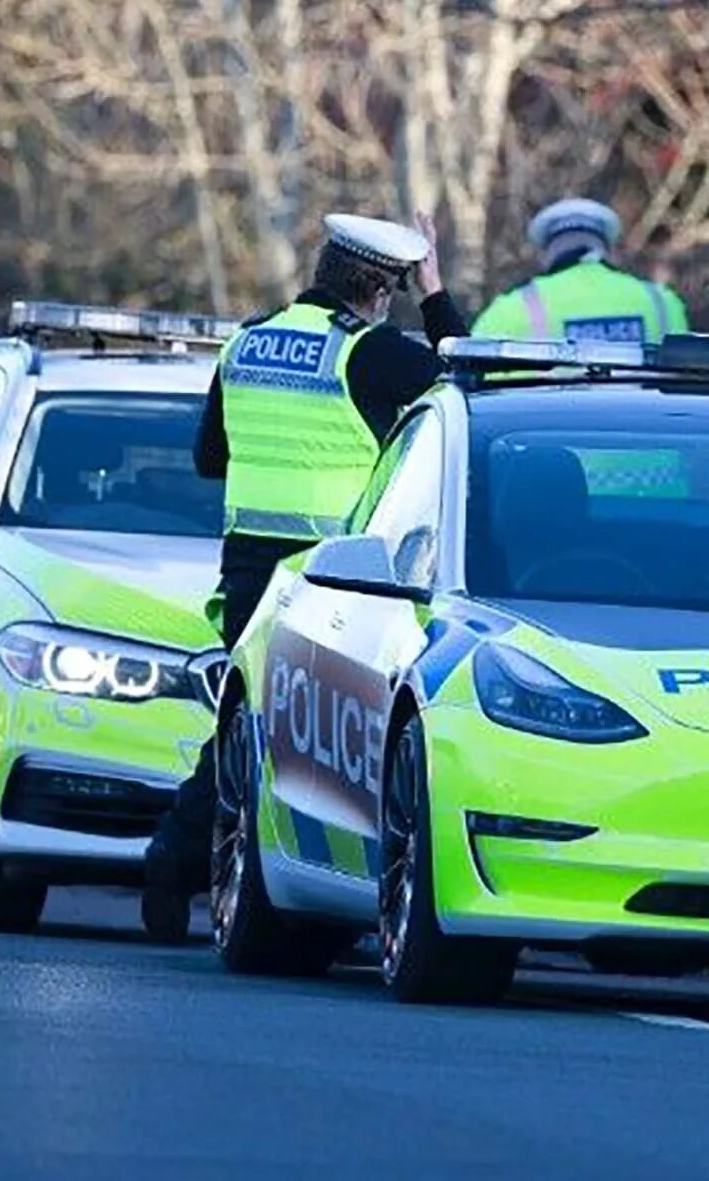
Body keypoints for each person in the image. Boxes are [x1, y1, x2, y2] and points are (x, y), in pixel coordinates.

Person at [141, 211, 467, 940]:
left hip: (251, 572)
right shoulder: (371, 355)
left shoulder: (247, 341)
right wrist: (438, 295)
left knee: (254, 729)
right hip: (331, 580)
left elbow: (209, 459)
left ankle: (183, 862)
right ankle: (200, 866)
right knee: (319, 742)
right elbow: (468, 384)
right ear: (383, 292)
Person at [470, 197, 689, 343]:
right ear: (607, 248)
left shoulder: (509, 311)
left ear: (546, 253)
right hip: (645, 415)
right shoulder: (662, 304)